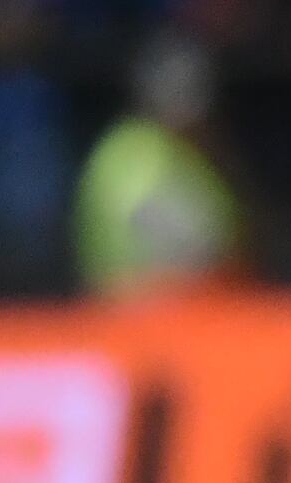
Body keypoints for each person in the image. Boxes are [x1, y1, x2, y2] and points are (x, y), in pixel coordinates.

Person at [75, 36, 248, 292]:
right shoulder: (138, 156)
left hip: (148, 308)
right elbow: (196, 252)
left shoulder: (155, 148)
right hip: (149, 310)